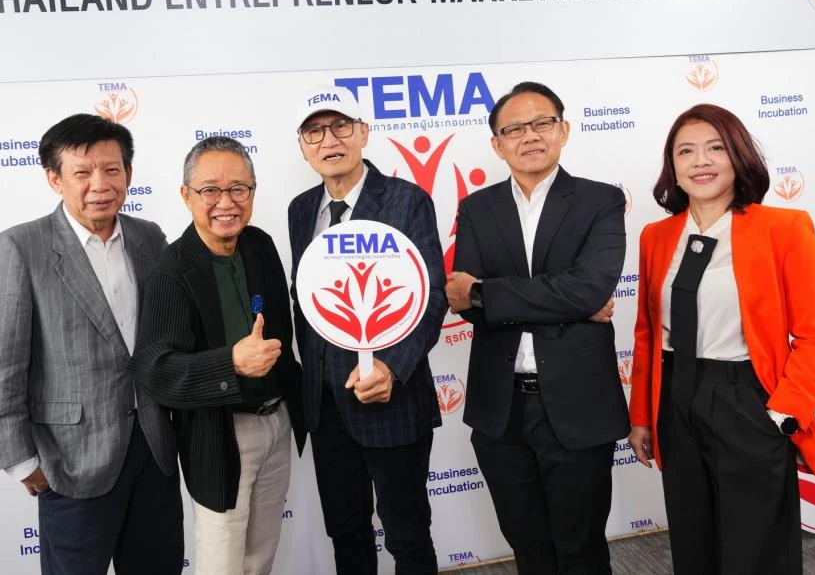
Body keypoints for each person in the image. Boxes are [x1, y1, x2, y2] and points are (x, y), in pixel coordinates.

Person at [627, 104, 815, 574]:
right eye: (686, 151)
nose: (700, 161)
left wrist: (784, 413)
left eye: (715, 148)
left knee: (756, 548)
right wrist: (641, 416)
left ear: (738, 156)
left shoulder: (784, 228)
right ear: (673, 167)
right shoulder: (656, 236)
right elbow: (647, 332)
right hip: (675, 400)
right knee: (693, 539)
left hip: (747, 400)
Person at [0, 114, 183, 575]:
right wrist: (21, 462)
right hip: (70, 461)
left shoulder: (149, 237)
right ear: (55, 178)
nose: (99, 185)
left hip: (155, 452)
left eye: (112, 169)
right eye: (82, 172)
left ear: (128, 173)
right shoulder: (19, 247)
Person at [446, 81, 627, 574]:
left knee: (580, 550)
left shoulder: (600, 201)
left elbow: (587, 289)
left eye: (542, 123)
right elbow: (463, 301)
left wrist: (489, 292)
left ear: (563, 130)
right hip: (500, 408)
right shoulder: (477, 208)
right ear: (497, 144)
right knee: (528, 549)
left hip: (577, 404)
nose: (530, 135)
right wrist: (565, 302)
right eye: (514, 129)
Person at [128, 136, 304, 575]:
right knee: (221, 562)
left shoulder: (260, 245)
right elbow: (153, 368)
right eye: (210, 190)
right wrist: (232, 364)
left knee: (260, 557)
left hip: (277, 421)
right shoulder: (172, 270)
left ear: (253, 191)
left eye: (238, 188)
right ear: (186, 195)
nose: (226, 202)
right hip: (220, 434)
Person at [288, 85, 446, 574]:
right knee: (346, 532)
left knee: (406, 535)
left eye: (341, 126)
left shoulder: (406, 201)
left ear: (363, 133)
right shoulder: (300, 209)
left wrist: (391, 370)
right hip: (325, 406)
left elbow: (430, 297)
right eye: (315, 132)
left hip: (390, 400)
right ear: (303, 146)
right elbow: (306, 300)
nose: (329, 140)